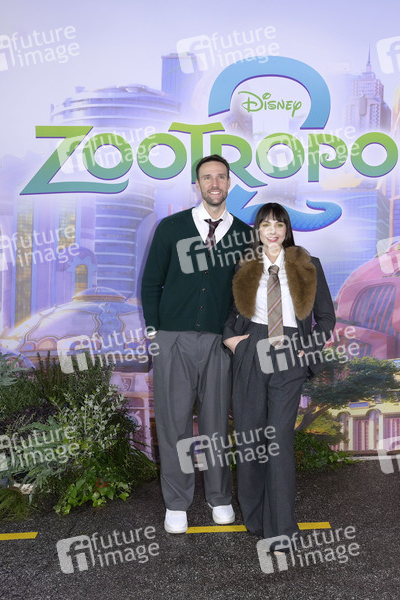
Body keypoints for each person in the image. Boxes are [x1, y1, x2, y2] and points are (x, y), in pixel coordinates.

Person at [141, 154, 252, 534]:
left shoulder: (244, 235)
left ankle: (219, 497)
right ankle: (176, 502)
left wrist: (238, 336)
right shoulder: (171, 227)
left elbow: (248, 293)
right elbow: (151, 282)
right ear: (198, 184)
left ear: (229, 183)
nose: (214, 183)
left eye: (220, 177)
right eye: (207, 177)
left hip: (221, 342)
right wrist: (154, 332)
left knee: (216, 424)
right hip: (173, 339)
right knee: (174, 424)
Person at [222, 202, 335, 546]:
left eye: (279, 224)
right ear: (258, 230)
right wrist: (231, 341)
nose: (272, 231)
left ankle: (282, 527)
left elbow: (326, 318)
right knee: (251, 438)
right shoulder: (245, 265)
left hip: (290, 350)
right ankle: (256, 518)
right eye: (265, 225)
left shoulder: (308, 265)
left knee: (279, 441)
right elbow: (230, 312)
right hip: (252, 348)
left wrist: (306, 348)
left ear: (287, 229)